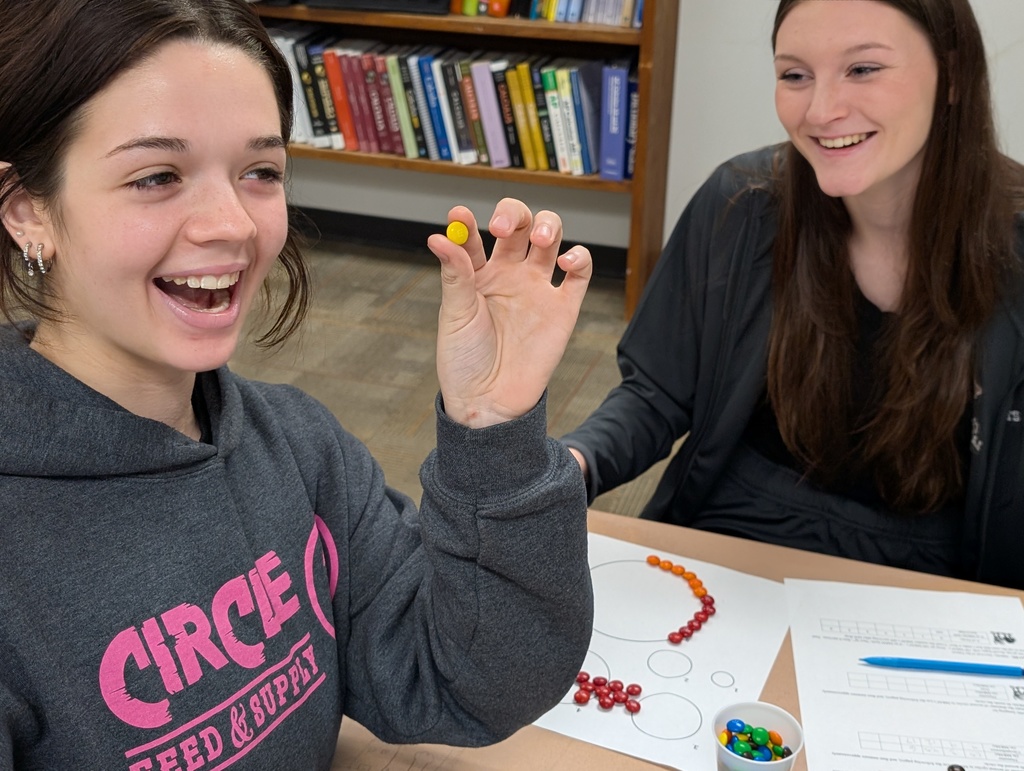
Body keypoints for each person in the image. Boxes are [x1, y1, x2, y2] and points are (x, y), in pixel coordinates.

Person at [0, 1, 596, 767]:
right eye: (156, 176)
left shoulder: (302, 450)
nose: (233, 225)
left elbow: (468, 680)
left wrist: (493, 429)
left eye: (259, 172)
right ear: (27, 211)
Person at [563, 0, 1024, 590]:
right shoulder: (742, 203)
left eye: (863, 69)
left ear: (953, 76)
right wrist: (570, 466)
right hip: (731, 538)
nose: (822, 110)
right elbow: (656, 394)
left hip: (935, 582)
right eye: (795, 75)